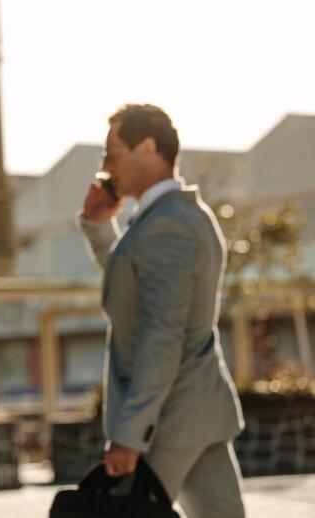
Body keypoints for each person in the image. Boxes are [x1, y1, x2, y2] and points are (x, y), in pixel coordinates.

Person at [77, 104, 245, 517]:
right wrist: (99, 226)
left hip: (166, 422)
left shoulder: (169, 225)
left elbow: (162, 335)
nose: (105, 166)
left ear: (148, 148)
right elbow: (134, 288)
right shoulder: (168, 218)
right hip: (193, 414)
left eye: (112, 153)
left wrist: (131, 434)